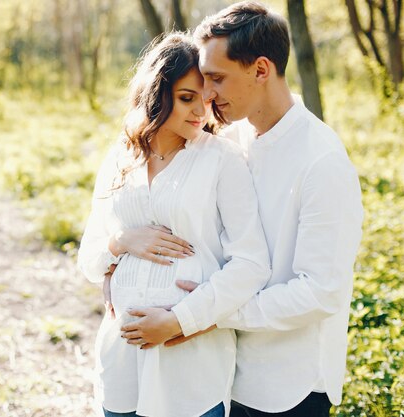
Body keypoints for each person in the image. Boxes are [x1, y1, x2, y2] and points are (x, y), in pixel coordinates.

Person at [119, 2, 364, 417]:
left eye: (216, 78)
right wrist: (121, 243)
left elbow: (322, 291)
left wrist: (202, 316)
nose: (207, 94)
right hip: (222, 373)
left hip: (289, 385)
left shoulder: (322, 161)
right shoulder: (230, 141)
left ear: (261, 70)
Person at [77, 32, 271, 417]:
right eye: (186, 98)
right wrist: (121, 241)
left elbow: (251, 264)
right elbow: (88, 258)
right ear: (156, 93)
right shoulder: (121, 158)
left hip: (189, 365)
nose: (200, 111)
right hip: (121, 361)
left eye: (206, 99)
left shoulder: (221, 160)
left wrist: (178, 320)